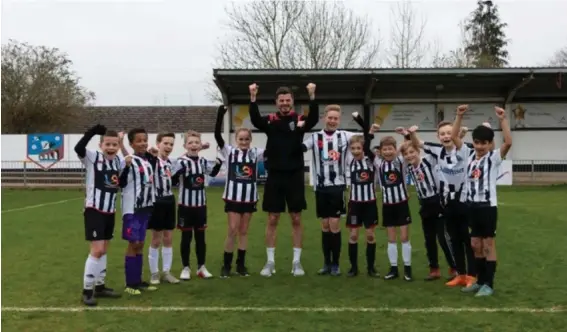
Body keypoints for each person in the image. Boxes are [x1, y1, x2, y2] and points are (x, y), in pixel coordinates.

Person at [248, 82, 320, 277]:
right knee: (272, 218)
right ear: (276, 103)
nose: (285, 104)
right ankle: (270, 263)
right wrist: (253, 97)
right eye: (281, 101)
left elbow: (313, 119)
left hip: (295, 175)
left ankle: (296, 262)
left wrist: (312, 96)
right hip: (275, 175)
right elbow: (255, 120)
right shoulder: (270, 120)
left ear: (292, 101)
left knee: (296, 218)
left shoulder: (299, 119)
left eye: (288, 100)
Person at [451, 105, 512, 297]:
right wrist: (459, 116)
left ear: (489, 143)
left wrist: (503, 120)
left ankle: (489, 284)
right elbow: (454, 138)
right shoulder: (468, 155)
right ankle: (479, 281)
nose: (479, 146)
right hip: (472, 207)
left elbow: (508, 142)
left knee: (488, 246)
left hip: (487, 208)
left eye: (483, 143)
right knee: (475, 245)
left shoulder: (493, 158)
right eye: (476, 142)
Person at [414, 121, 477, 287]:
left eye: (449, 133)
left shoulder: (465, 150)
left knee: (467, 240)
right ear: (438, 137)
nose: (446, 136)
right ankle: (460, 274)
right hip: (447, 203)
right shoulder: (437, 150)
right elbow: (418, 144)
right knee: (454, 240)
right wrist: (412, 133)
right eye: (442, 134)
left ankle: (472, 275)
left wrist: (462, 129)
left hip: (464, 202)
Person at [302, 107, 363, 276]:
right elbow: (299, 146)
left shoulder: (345, 135)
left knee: (334, 225)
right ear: (324, 118)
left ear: (339, 120)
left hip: (337, 186)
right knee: (325, 225)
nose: (332, 121)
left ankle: (335, 264)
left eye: (336, 118)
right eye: (330, 117)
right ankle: (326, 263)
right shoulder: (315, 137)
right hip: (321, 188)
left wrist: (361, 122)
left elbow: (366, 135)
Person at [400, 127, 457, 281]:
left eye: (412, 152)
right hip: (424, 204)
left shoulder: (428, 160)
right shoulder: (410, 167)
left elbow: (419, 145)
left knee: (443, 237)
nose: (409, 155)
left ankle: (454, 267)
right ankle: (434, 269)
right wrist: (405, 137)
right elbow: (406, 149)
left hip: (437, 201)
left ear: (418, 152)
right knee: (428, 238)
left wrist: (410, 135)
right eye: (406, 154)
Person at [75, 124, 123, 306]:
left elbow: (120, 182)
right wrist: (92, 132)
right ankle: (87, 290)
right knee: (96, 250)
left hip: (110, 210)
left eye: (114, 145)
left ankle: (100, 286)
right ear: (101, 145)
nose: (111, 148)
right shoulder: (92, 158)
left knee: (104, 250)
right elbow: (78, 148)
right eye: (107, 144)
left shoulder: (118, 161)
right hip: (94, 209)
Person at [214, 106, 264, 277]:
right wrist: (220, 115)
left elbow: (273, 148)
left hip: (249, 199)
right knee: (232, 230)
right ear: (236, 139)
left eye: (246, 139)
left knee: (244, 231)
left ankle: (240, 265)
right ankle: (226, 265)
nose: (243, 142)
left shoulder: (256, 153)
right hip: (233, 197)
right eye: (241, 139)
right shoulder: (229, 152)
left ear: (250, 140)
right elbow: (217, 136)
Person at [172, 130, 221, 280]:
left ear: (200, 145)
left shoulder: (203, 161)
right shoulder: (181, 162)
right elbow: (173, 182)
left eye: (196, 142)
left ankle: (201, 267)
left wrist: (219, 163)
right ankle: (185, 267)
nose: (193, 145)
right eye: (190, 142)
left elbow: (212, 173)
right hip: (185, 206)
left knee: (201, 238)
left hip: (200, 206)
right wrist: (176, 173)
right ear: (185, 145)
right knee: (186, 237)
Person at [370, 125, 413, 281]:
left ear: (396, 150)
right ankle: (393, 268)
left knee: (404, 237)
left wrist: (406, 135)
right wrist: (371, 132)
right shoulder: (378, 164)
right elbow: (367, 150)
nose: (388, 152)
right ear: (380, 151)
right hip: (387, 205)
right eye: (385, 149)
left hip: (401, 204)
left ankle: (407, 268)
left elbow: (408, 147)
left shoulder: (401, 162)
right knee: (391, 238)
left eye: (391, 149)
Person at [119, 128, 157, 295]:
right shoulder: (128, 161)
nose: (143, 143)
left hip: (145, 207)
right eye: (139, 141)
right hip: (132, 209)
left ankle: (138, 280)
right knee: (133, 243)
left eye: (145, 140)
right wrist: (120, 146)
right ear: (132, 143)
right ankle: (130, 284)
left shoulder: (147, 160)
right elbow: (121, 183)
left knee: (141, 244)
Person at [344, 117, 380, 278]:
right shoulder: (349, 161)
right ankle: (353, 268)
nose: (356, 151)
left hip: (370, 203)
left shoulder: (371, 161)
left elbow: (367, 147)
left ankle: (371, 268)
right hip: (354, 204)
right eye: (353, 148)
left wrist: (370, 133)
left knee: (370, 235)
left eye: (358, 148)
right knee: (353, 236)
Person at [146, 133, 180, 285]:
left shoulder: (171, 163)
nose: (168, 147)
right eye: (165, 143)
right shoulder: (151, 160)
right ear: (158, 144)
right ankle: (154, 273)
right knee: (156, 238)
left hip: (169, 200)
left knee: (168, 238)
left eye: (171, 144)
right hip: (156, 201)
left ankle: (166, 271)